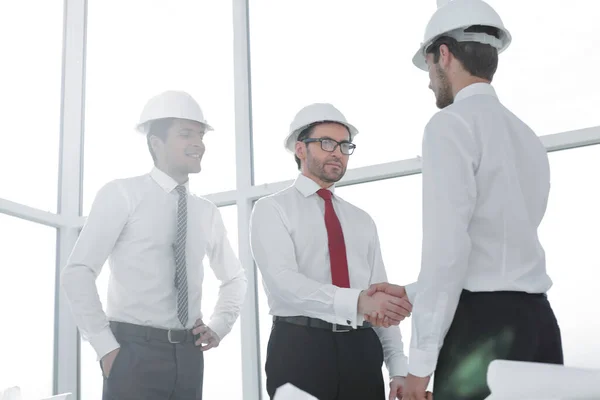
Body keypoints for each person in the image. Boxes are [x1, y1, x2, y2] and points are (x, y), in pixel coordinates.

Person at [367, 1, 564, 399]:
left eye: (428, 68)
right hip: (540, 327)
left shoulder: (449, 126)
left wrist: (419, 369)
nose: (428, 82)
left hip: (482, 334)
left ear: (444, 53)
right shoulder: (527, 137)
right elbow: (499, 251)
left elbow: (449, 252)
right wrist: (414, 291)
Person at [61, 90, 247, 400]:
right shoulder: (122, 194)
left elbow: (235, 278)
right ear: (155, 143)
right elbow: (78, 272)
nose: (199, 143)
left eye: (200, 135)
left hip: (189, 356)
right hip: (132, 355)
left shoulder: (206, 211)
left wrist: (219, 325)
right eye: (186, 134)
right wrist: (106, 348)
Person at [249, 103, 414, 400]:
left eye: (344, 145)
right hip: (299, 347)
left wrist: (398, 369)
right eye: (326, 143)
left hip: (361, 349)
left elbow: (378, 296)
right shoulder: (271, 209)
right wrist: (357, 301)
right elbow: (284, 284)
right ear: (300, 149)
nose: (337, 152)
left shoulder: (362, 220)